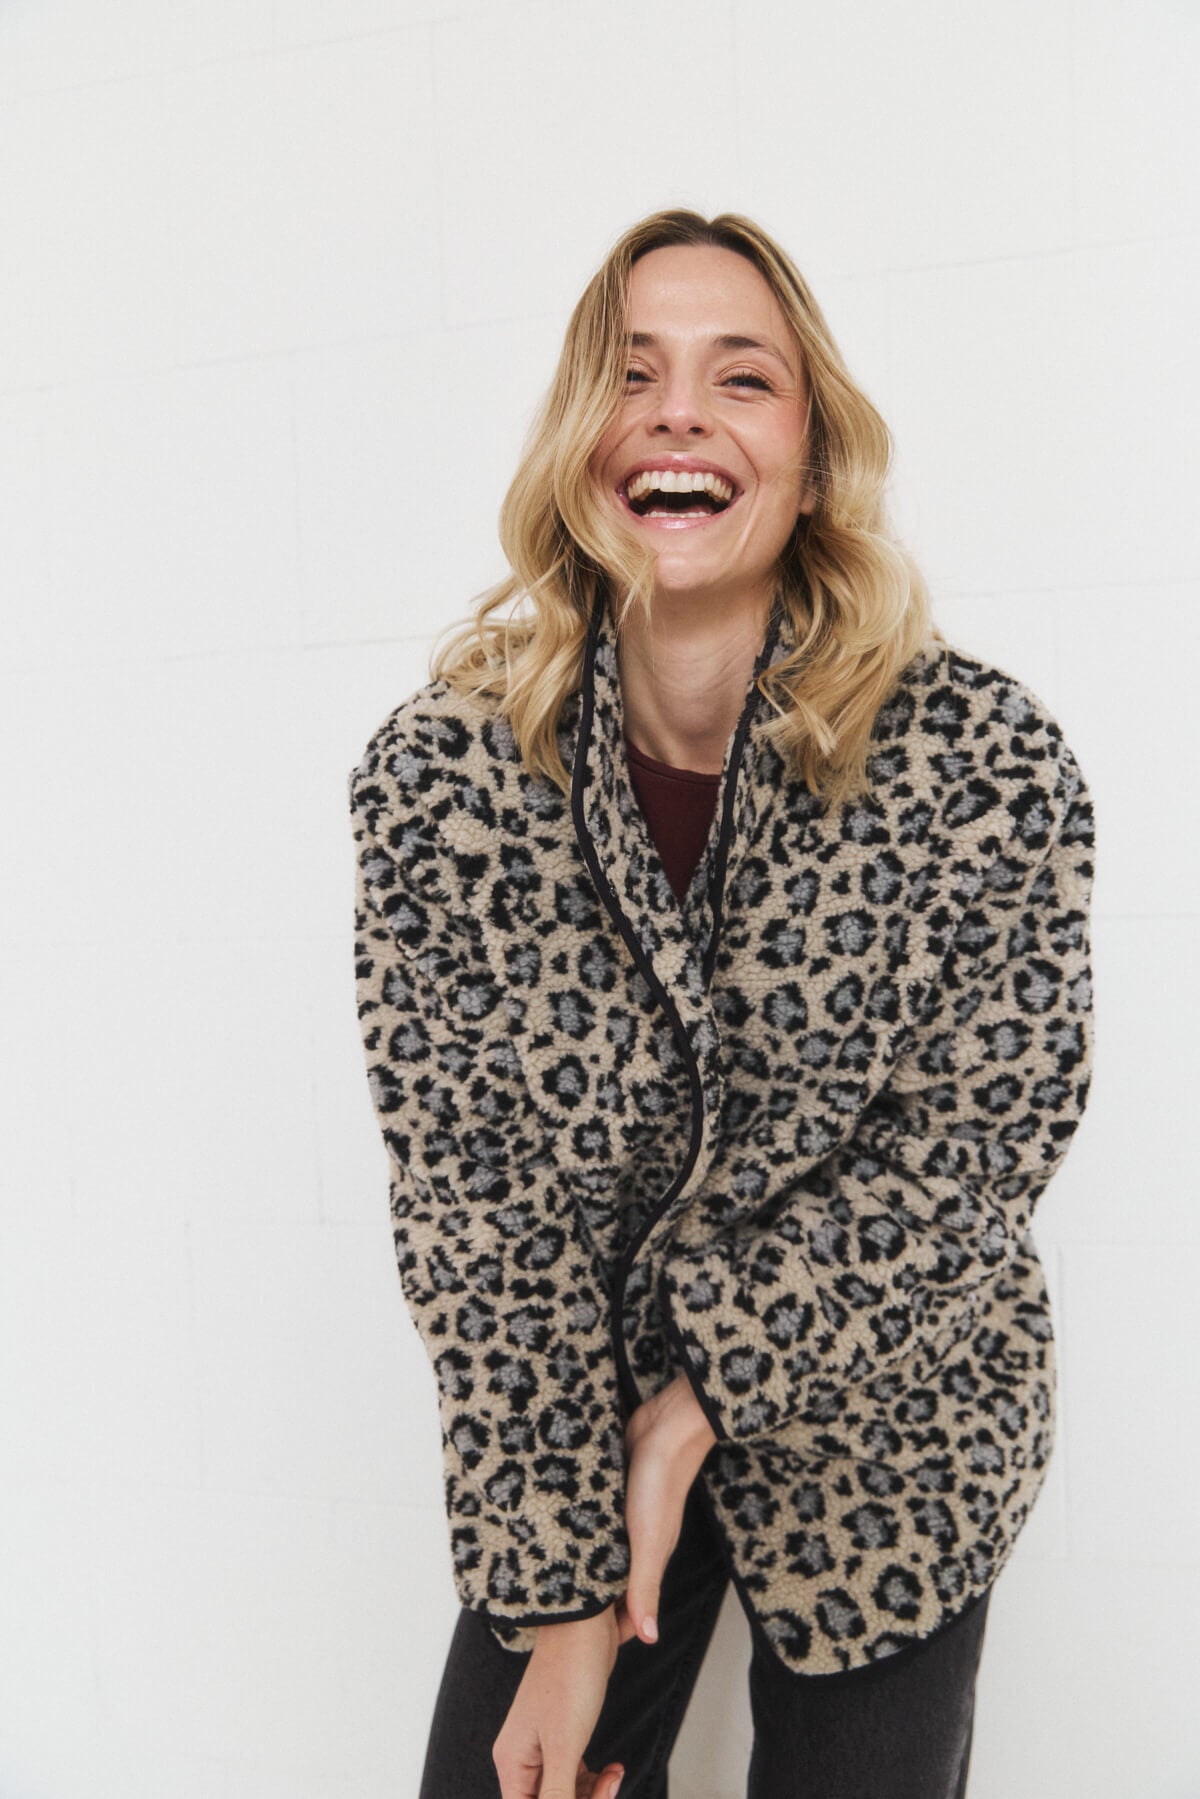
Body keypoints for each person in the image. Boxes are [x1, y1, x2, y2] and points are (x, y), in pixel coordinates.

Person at [347, 209, 1095, 1799]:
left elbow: (972, 1163)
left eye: (740, 378)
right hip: (575, 1422)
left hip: (899, 1428)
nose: (678, 413)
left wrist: (694, 1415)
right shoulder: (445, 779)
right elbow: (475, 1209)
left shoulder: (985, 762)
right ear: (579, 445)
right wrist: (559, 1596)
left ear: (811, 463)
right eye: (632, 376)